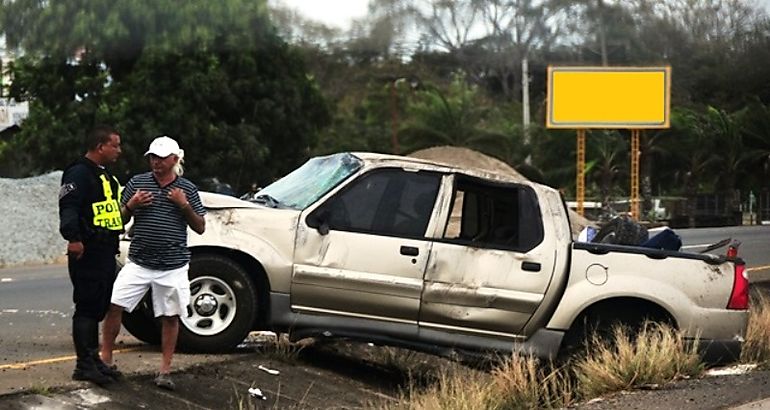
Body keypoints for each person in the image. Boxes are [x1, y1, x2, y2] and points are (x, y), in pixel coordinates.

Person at [100, 135, 205, 391]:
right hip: (139, 261)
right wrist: (131, 205)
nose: (156, 162)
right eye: (152, 157)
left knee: (170, 316)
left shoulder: (187, 189)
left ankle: (165, 370)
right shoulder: (137, 182)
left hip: (173, 264)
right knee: (115, 305)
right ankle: (106, 360)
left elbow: (200, 226)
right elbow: (118, 220)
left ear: (174, 159)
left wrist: (184, 206)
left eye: (161, 158)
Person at [58, 125, 124, 386]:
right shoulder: (79, 173)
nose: (119, 150)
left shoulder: (103, 173)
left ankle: (93, 358)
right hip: (87, 248)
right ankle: (83, 365)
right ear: (100, 147)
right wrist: (73, 238)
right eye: (115, 145)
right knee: (87, 306)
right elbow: (69, 207)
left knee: (99, 305)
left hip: (105, 248)